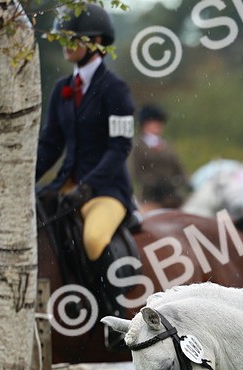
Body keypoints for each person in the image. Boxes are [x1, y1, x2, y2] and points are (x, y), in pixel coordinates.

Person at [35, 2, 135, 326]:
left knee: (93, 238)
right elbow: (50, 144)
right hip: (66, 185)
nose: (65, 45)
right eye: (62, 39)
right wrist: (22, 179)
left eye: (72, 39)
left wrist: (89, 185)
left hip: (106, 190)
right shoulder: (62, 89)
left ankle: (115, 317)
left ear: (96, 42)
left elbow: (120, 148)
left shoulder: (115, 90)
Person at [131, 103, 187, 211]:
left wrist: (178, 182)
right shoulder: (138, 147)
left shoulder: (168, 145)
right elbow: (138, 172)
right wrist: (157, 185)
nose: (159, 126)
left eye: (159, 123)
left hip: (172, 196)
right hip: (149, 197)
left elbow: (179, 168)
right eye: (154, 123)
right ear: (144, 125)